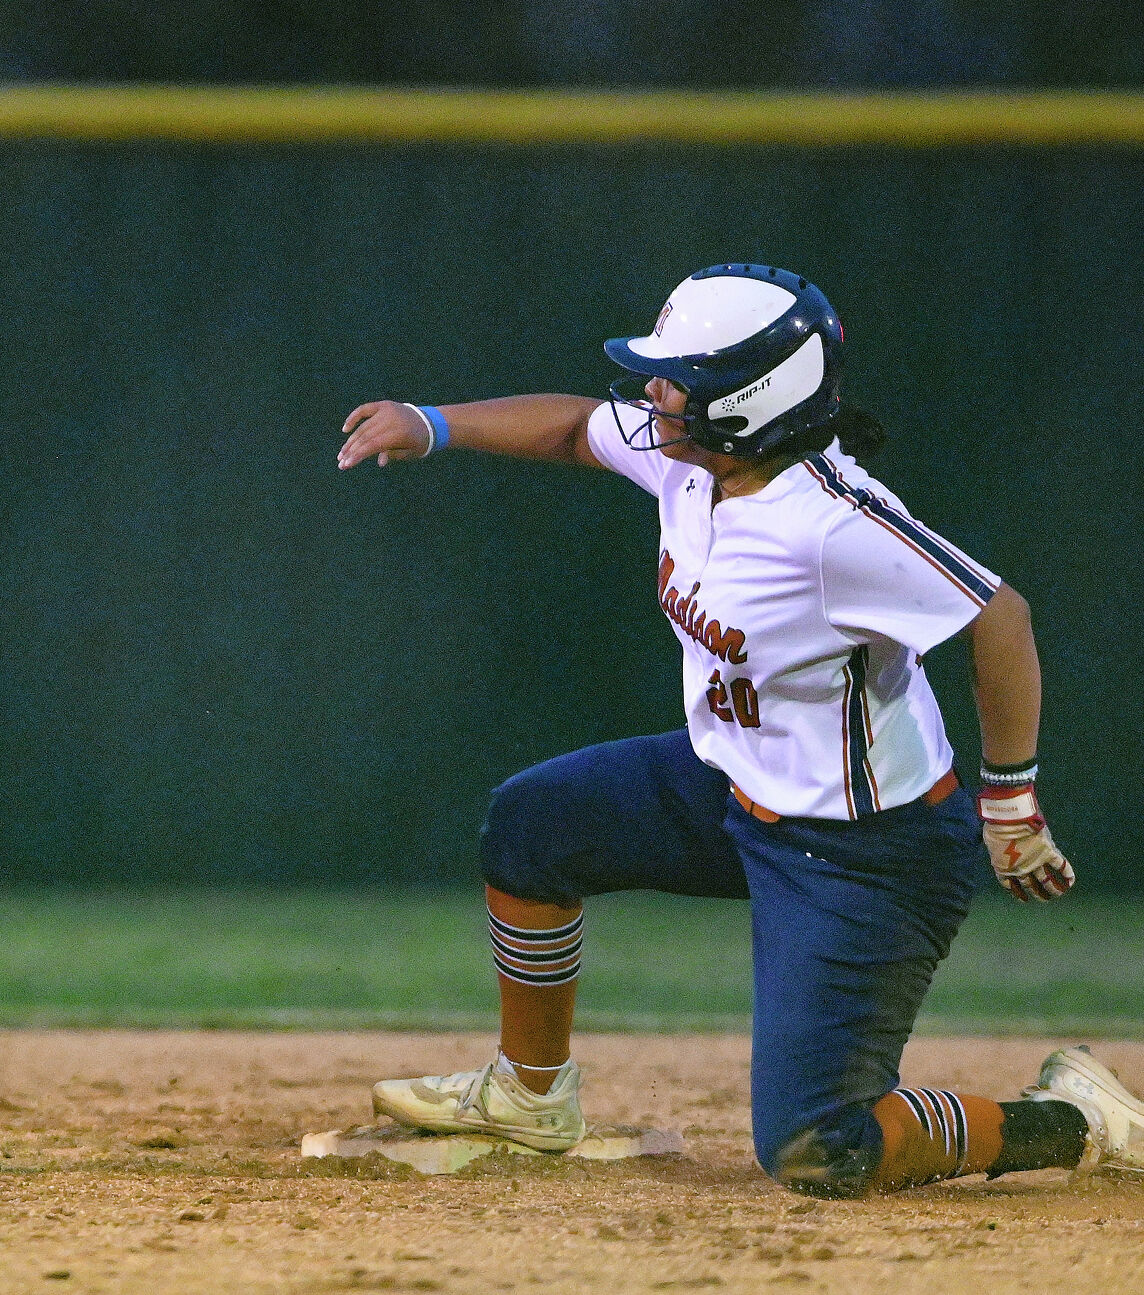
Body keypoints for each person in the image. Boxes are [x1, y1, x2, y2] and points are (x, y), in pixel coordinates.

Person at [336, 263, 1140, 1196]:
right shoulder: (693, 455)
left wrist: (1010, 798)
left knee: (818, 1144)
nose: (652, 393)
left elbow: (1000, 616)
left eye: (677, 378)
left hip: (865, 850)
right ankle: (530, 1093)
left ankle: (1074, 1118)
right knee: (533, 824)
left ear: (748, 403)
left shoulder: (829, 525)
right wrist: (432, 422)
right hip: (730, 785)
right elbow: (571, 427)